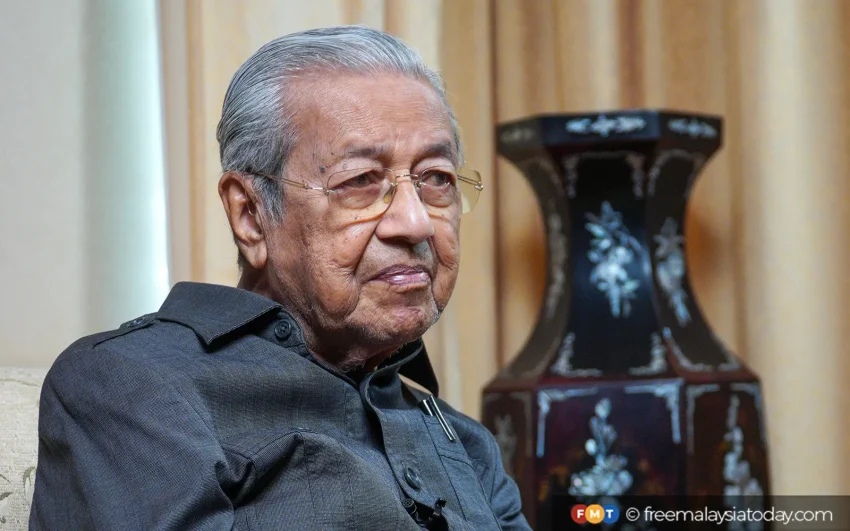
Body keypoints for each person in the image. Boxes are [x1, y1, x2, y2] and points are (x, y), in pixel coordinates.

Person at [29, 26, 530, 531]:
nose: (416, 223)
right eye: (360, 181)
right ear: (250, 214)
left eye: (437, 179)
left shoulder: (463, 442)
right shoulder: (134, 386)